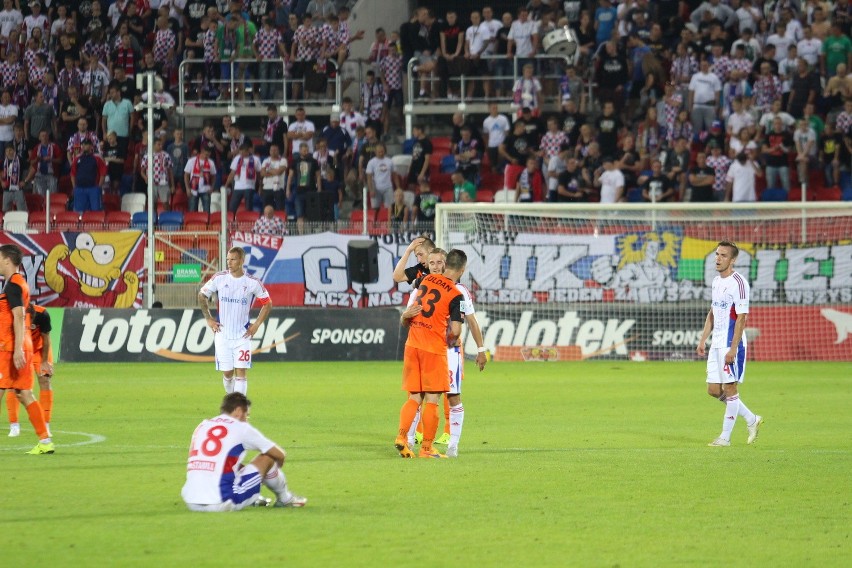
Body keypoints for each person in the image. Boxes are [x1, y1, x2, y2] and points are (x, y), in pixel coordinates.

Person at [401, 249, 487, 458]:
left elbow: (471, 321)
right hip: (440, 348)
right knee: (427, 396)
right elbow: (410, 317)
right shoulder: (432, 285)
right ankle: (415, 442)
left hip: (443, 351)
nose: (437, 266)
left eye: (440, 262)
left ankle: (449, 446)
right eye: (433, 262)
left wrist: (481, 348)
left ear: (445, 263)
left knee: (446, 396)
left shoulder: (447, 288)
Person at [394, 248, 466, 459]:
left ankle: (401, 437)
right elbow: (455, 331)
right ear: (462, 269)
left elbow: (412, 312)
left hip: (412, 344)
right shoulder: (456, 294)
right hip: (433, 348)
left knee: (415, 396)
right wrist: (452, 340)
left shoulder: (426, 281)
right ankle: (426, 448)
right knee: (433, 398)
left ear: (445, 265)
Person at [181, 392, 307, 511]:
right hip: (221, 501)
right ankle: (285, 499)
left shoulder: (203, 425)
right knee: (268, 458)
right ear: (238, 411)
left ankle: (252, 497)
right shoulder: (241, 427)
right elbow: (279, 454)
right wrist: (271, 469)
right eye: (247, 415)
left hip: (191, 500)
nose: (247, 419)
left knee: (230, 467)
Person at [696, 241, 763, 447]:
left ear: (732, 260)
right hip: (716, 343)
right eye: (717, 254)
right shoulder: (716, 281)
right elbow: (713, 312)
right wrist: (703, 339)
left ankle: (724, 437)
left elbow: (742, 319)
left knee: (730, 388)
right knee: (713, 390)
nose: (718, 258)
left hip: (730, 343)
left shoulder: (739, 283)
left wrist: (733, 348)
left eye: (723, 255)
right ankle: (752, 418)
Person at [0, 244, 53, 454]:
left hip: (11, 347)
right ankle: (45, 441)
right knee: (24, 393)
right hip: (20, 346)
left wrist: (18, 350)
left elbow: (19, 315)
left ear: (7, 260)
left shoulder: (13, 285)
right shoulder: (18, 282)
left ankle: (45, 438)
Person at [198, 247, 272, 396]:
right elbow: (202, 295)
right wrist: (209, 319)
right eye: (227, 260)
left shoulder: (252, 282)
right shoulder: (219, 278)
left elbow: (267, 303)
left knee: (241, 372)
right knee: (228, 373)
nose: (229, 263)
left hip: (242, 335)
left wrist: (256, 324)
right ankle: (232, 400)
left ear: (241, 261)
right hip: (222, 334)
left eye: (233, 259)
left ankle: (239, 408)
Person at [4, 300, 54, 437]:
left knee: (45, 379)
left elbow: (46, 338)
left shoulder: (42, 314)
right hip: (19, 350)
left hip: (39, 349)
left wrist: (44, 361)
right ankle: (14, 425)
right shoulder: (9, 316)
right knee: (13, 385)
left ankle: (46, 425)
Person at [70, 139, 107, 213]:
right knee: (78, 212)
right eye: (82, 144)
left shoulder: (97, 158)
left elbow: (103, 173)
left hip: (93, 188)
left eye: (86, 144)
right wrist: (74, 187)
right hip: (79, 188)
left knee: (96, 211)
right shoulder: (77, 158)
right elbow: (73, 174)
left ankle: (96, 224)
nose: (83, 146)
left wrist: (99, 187)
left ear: (91, 146)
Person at [226, 142, 262, 214]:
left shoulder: (255, 159)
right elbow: (232, 173)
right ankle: (230, 223)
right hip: (237, 187)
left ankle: (248, 222)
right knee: (232, 207)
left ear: (249, 151)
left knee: (248, 207)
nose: (241, 153)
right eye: (240, 151)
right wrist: (226, 184)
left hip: (249, 186)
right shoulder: (237, 158)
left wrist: (260, 186)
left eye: (244, 151)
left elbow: (258, 174)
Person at [184, 145, 217, 214]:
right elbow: (186, 175)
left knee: (207, 210)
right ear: (202, 152)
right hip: (193, 189)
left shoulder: (211, 162)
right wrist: (187, 188)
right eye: (205, 154)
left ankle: (206, 224)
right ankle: (192, 224)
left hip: (206, 189)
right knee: (192, 210)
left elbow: (213, 176)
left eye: (208, 155)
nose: (206, 156)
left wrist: (212, 187)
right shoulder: (191, 161)